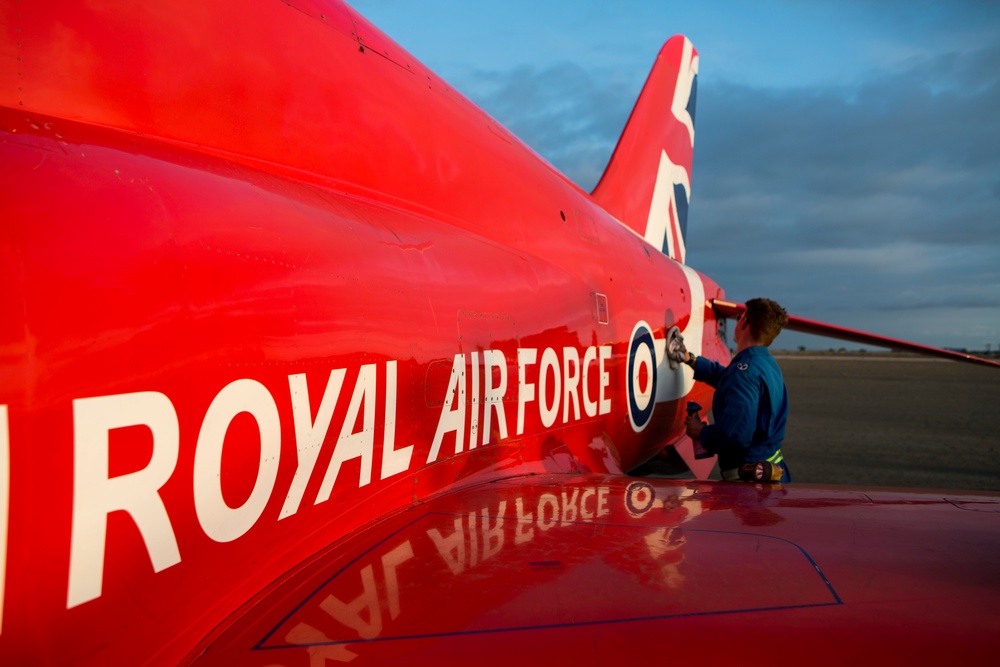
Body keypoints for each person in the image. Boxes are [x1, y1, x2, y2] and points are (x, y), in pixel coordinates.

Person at [675, 298, 791, 483]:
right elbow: (730, 380)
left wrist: (701, 432)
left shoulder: (744, 374)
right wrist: (691, 360)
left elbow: (736, 436)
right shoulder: (765, 364)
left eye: (740, 317)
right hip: (770, 475)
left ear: (744, 322)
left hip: (749, 486)